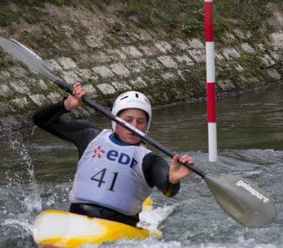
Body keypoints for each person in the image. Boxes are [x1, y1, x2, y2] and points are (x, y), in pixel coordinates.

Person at [33, 83, 195, 226]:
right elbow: (41, 120)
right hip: (78, 219)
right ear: (115, 120)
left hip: (120, 227)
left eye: (140, 121)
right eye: (128, 119)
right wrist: (65, 105)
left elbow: (168, 190)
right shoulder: (90, 137)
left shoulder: (150, 160)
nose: (134, 126)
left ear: (147, 125)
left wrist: (173, 179)